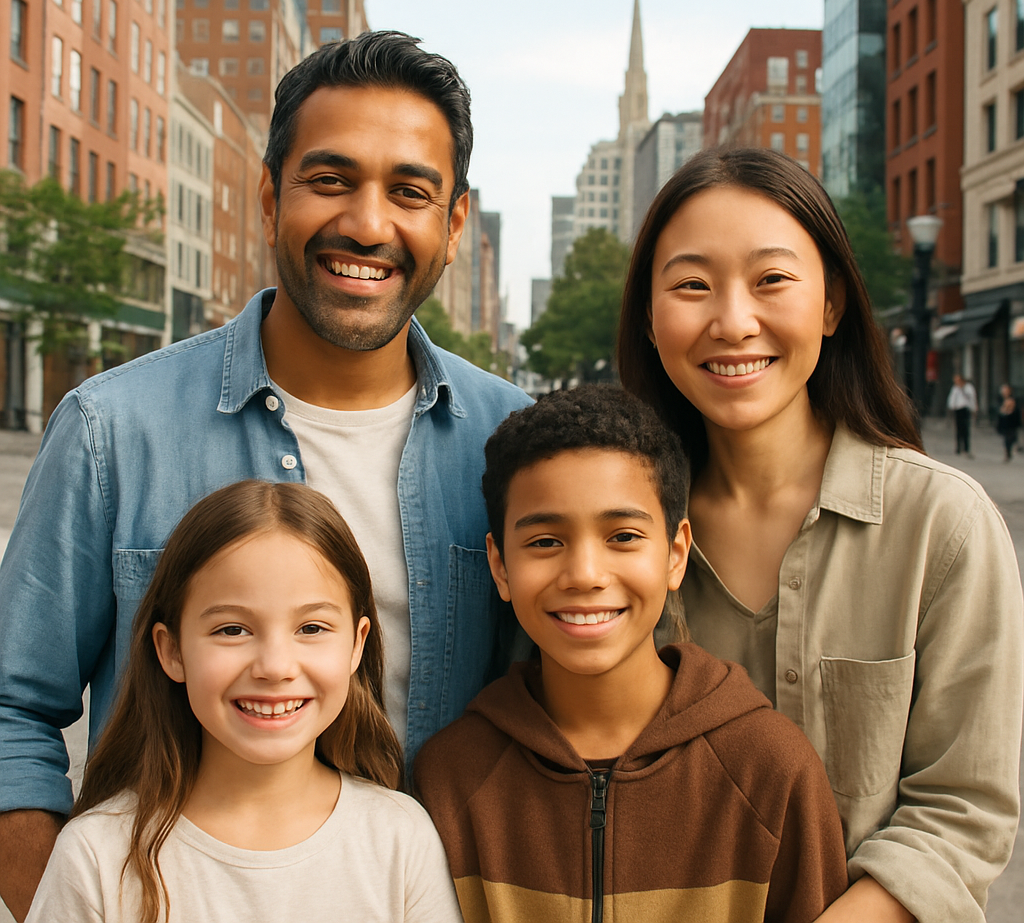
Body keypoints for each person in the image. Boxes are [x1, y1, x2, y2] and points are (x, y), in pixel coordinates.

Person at [0, 31, 531, 921]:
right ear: (267, 195)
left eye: (409, 191)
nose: (367, 223)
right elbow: (12, 706)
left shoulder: (512, 446)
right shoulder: (112, 431)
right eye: (330, 180)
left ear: (454, 223)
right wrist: (66, 895)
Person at [617, 147, 1023, 923]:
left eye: (772, 280)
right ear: (649, 314)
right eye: (692, 285)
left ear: (832, 305)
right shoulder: (610, 537)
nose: (733, 321)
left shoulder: (944, 525)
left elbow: (961, 813)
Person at [415, 386, 848, 923]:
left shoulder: (769, 769)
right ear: (500, 567)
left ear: (675, 553)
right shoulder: (451, 777)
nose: (585, 576)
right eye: (545, 542)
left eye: (622, 536)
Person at [25, 480, 462, 923]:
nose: (274, 667)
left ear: (356, 645)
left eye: (311, 628)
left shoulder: (400, 839)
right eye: (232, 630)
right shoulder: (96, 855)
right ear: (171, 650)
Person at [947, 372, 978, 456]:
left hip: (965, 409)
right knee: (958, 429)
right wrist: (951, 407)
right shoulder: (955, 388)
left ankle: (966, 448)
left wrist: (974, 408)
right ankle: (958, 448)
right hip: (958, 409)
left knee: (965, 429)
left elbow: (972, 398)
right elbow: (952, 398)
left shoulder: (968, 387)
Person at [997, 383, 1020, 462]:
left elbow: (1009, 410)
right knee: (1007, 438)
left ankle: (1011, 450)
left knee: (1010, 437)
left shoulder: (1012, 399)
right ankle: (1008, 452)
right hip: (1005, 421)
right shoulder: (1001, 399)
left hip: (1011, 421)